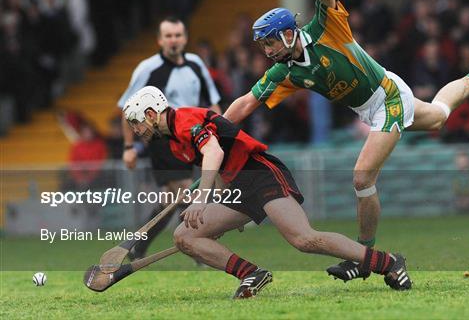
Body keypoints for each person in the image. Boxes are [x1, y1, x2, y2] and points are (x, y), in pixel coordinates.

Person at [222, 0, 469, 282]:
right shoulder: (283, 72)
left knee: (362, 175)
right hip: (370, 109)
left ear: (289, 34)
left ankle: (363, 257)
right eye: (263, 44)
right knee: (438, 116)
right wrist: (215, 129)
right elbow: (247, 102)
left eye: (270, 41)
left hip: (388, 97)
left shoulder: (324, 30)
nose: (266, 49)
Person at [122, 86, 412, 298]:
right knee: (185, 236)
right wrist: (217, 206)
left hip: (261, 175)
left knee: (304, 239)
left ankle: (388, 263)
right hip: (237, 186)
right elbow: (221, 162)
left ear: (150, 113)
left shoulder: (185, 120)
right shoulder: (173, 141)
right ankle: (251, 274)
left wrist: (200, 200)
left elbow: (213, 153)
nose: (135, 129)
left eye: (136, 122)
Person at [117, 16, 222, 260]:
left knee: (169, 199)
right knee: (185, 190)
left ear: (185, 38)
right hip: (161, 139)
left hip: (193, 134)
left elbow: (213, 102)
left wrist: (221, 128)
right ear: (160, 40)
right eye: (168, 36)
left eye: (177, 35)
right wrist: (128, 146)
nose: (173, 40)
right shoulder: (147, 68)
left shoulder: (196, 64)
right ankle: (199, 248)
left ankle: (137, 246)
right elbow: (126, 108)